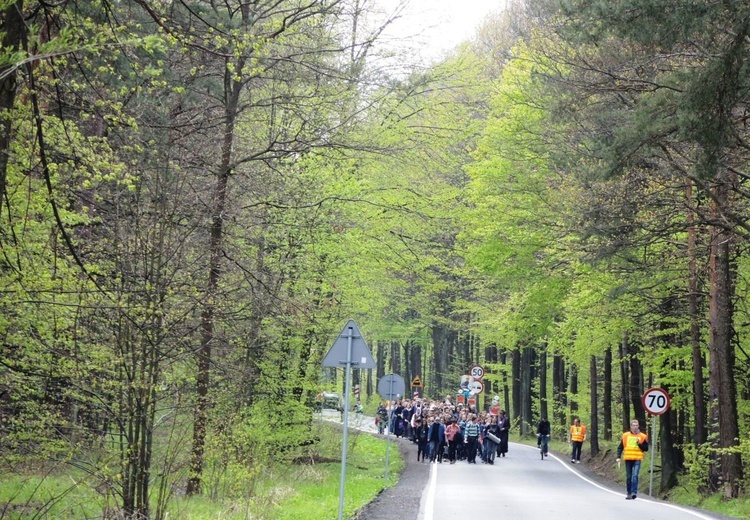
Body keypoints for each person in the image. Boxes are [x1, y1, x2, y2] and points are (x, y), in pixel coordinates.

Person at [616, 419, 649, 500]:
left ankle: (634, 492)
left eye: (636, 425)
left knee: (635, 475)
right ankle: (629, 493)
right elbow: (620, 447)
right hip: (628, 458)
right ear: (631, 426)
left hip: (637, 458)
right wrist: (618, 457)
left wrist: (639, 444)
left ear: (638, 426)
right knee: (628, 476)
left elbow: (646, 448)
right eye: (633, 425)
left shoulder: (642, 436)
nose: (635, 427)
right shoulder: (625, 435)